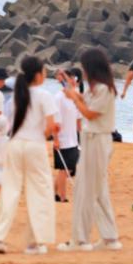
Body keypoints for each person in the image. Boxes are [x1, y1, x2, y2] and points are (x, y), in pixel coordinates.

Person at [0, 56, 58, 255]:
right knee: (40, 191)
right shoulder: (44, 95)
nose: (45, 74)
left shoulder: (17, 96)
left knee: (10, 190)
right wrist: (45, 135)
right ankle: (35, 241)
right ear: (37, 75)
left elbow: (7, 122)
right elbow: (51, 126)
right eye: (44, 71)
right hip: (35, 145)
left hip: (15, 144)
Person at [58, 48, 122, 252]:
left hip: (98, 140)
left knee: (85, 190)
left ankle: (80, 239)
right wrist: (69, 88)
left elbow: (90, 113)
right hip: (91, 140)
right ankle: (110, 238)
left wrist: (74, 96)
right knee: (98, 190)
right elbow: (81, 100)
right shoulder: (95, 89)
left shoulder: (104, 89)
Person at [53, 68, 82, 202]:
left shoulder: (75, 95)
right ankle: (62, 196)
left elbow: (78, 118)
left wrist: (80, 136)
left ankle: (53, 192)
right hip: (62, 138)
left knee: (69, 169)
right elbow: (55, 121)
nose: (74, 81)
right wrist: (56, 139)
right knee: (64, 169)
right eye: (71, 79)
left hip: (73, 138)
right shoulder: (58, 97)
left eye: (75, 79)